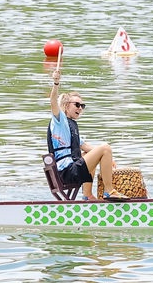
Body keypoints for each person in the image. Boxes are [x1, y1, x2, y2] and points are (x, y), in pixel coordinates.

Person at [48, 68, 127, 201]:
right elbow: (53, 102)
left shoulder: (71, 126)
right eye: (77, 105)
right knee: (106, 147)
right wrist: (56, 83)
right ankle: (109, 191)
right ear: (66, 105)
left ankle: (87, 195)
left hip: (69, 171)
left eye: (82, 106)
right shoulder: (60, 120)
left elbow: (87, 148)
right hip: (67, 172)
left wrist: (107, 158)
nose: (80, 108)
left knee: (89, 153)